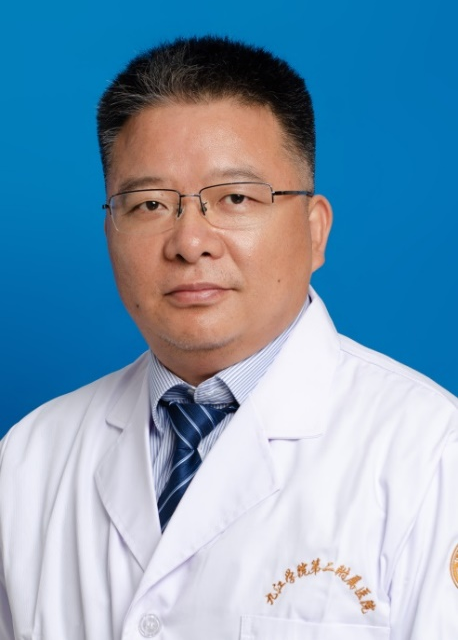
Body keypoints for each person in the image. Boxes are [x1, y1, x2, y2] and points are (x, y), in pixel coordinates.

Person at [0, 36, 456, 640]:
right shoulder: (31, 457)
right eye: (150, 204)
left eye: (235, 198)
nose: (190, 242)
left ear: (315, 231)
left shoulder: (432, 454)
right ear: (110, 232)